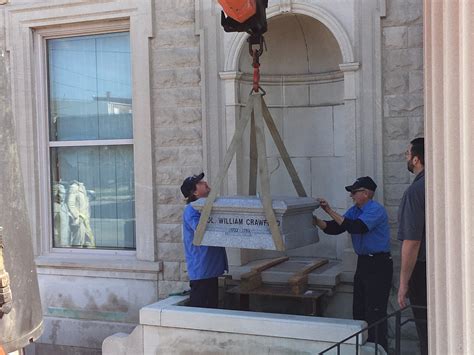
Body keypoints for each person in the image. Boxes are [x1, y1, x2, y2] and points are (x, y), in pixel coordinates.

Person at [313, 177, 392, 350]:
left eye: (354, 192)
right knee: (360, 308)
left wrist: (329, 210)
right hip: (364, 263)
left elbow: (357, 227)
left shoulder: (375, 210)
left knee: (375, 311)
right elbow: (336, 227)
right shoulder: (355, 210)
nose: (351, 195)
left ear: (366, 193)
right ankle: (363, 349)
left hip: (379, 264)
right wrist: (315, 221)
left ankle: (379, 349)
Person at [397, 137, 427, 355]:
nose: (406, 158)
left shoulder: (415, 191)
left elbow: (412, 241)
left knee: (427, 330)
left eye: (408, 154)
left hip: (423, 269)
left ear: (416, 159)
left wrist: (403, 282)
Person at [180, 173, 228, 308]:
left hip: (210, 270)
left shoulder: (206, 206)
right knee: (200, 311)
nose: (205, 182)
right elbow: (201, 230)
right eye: (200, 183)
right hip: (201, 272)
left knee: (212, 309)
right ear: (194, 192)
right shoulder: (191, 210)